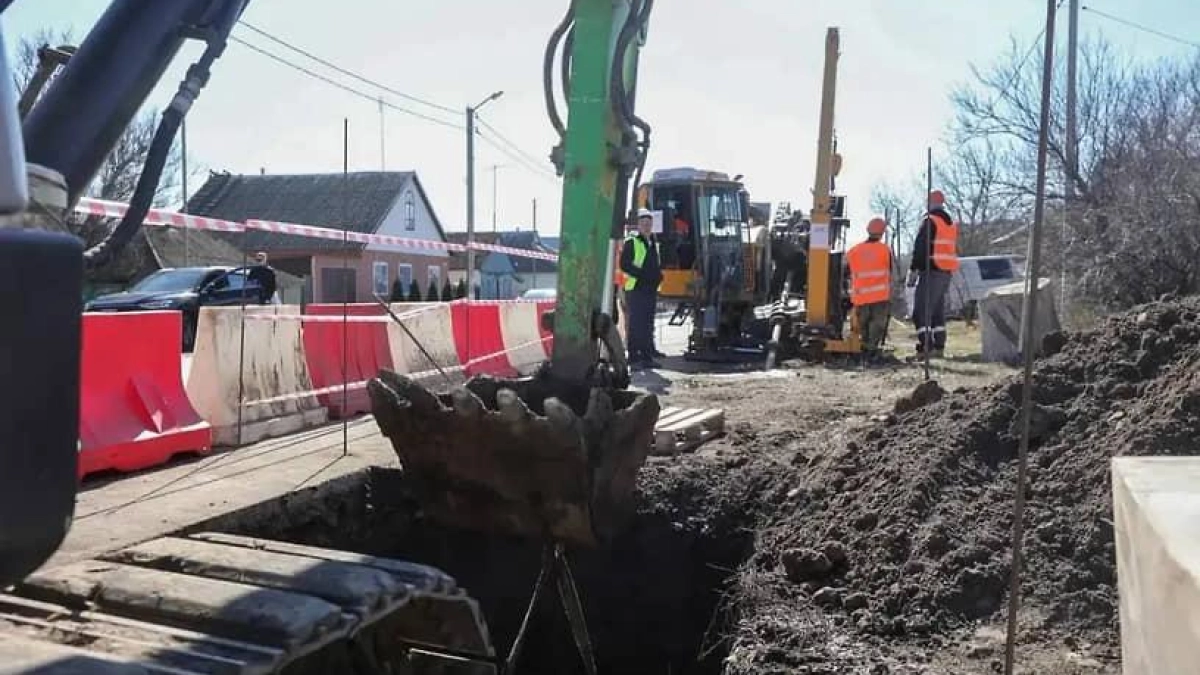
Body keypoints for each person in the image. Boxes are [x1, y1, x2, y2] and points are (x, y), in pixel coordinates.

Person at [907, 190, 958, 357]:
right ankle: (938, 346)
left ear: (929, 202)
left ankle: (926, 348)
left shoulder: (930, 221)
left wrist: (913, 270)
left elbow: (921, 248)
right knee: (936, 311)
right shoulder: (949, 224)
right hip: (945, 272)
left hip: (931, 270)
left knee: (921, 312)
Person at [620, 208, 664, 368]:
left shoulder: (652, 242)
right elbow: (624, 264)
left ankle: (647, 357)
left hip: (650, 289)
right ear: (638, 225)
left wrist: (658, 277)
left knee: (647, 324)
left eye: (649, 224)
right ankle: (634, 358)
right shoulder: (632, 242)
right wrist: (642, 275)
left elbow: (655, 264)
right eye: (644, 224)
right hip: (636, 288)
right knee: (636, 325)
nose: (646, 227)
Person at [846, 217, 893, 363]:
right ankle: (871, 352)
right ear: (882, 233)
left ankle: (861, 351)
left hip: (861, 298)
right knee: (876, 326)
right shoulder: (885, 250)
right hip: (880, 297)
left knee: (862, 327)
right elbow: (890, 271)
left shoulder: (853, 251)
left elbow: (846, 272)